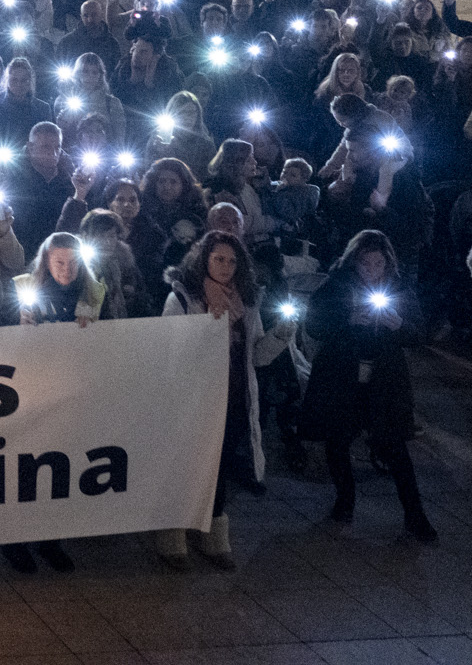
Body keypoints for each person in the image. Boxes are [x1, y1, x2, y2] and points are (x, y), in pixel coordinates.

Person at [297, 230, 435, 542]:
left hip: (383, 382)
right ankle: (345, 500)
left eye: (378, 264)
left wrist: (398, 325)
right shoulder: (335, 288)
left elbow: (418, 335)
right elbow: (315, 326)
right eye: (365, 264)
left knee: (395, 447)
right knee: (338, 441)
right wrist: (347, 319)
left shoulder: (399, 290)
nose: (372, 270)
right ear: (353, 263)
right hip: (343, 378)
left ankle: (415, 516)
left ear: (388, 265)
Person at [159, 230, 281, 569]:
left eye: (231, 260)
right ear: (204, 261)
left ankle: (212, 529)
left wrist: (283, 335)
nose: (225, 266)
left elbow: (256, 356)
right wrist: (208, 330)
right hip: (193, 398)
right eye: (218, 259)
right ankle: (174, 530)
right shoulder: (182, 299)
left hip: (233, 397)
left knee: (219, 465)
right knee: (187, 462)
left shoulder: (247, 302)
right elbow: (170, 351)